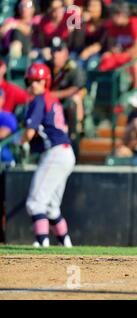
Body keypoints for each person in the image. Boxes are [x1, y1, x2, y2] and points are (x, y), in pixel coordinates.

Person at [21, 63, 75, 248]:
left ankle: (42, 242)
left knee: (35, 203)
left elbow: (29, 133)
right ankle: (66, 244)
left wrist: (19, 144)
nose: (34, 83)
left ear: (45, 82)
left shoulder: (39, 99)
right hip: (65, 152)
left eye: (38, 80)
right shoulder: (52, 99)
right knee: (52, 208)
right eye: (32, 80)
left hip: (56, 151)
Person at [100, 1, 137, 107]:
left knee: (136, 61)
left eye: (113, 14)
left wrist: (118, 55)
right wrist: (112, 53)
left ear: (121, 14)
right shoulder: (114, 26)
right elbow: (112, 47)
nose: (111, 17)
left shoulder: (135, 22)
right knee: (105, 58)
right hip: (125, 58)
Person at [48, 37, 86, 137]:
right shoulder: (47, 66)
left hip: (67, 102)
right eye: (53, 51)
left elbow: (75, 89)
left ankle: (75, 133)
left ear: (65, 53)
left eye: (58, 51)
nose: (55, 54)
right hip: (50, 102)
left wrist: (52, 95)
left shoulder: (73, 67)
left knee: (75, 99)